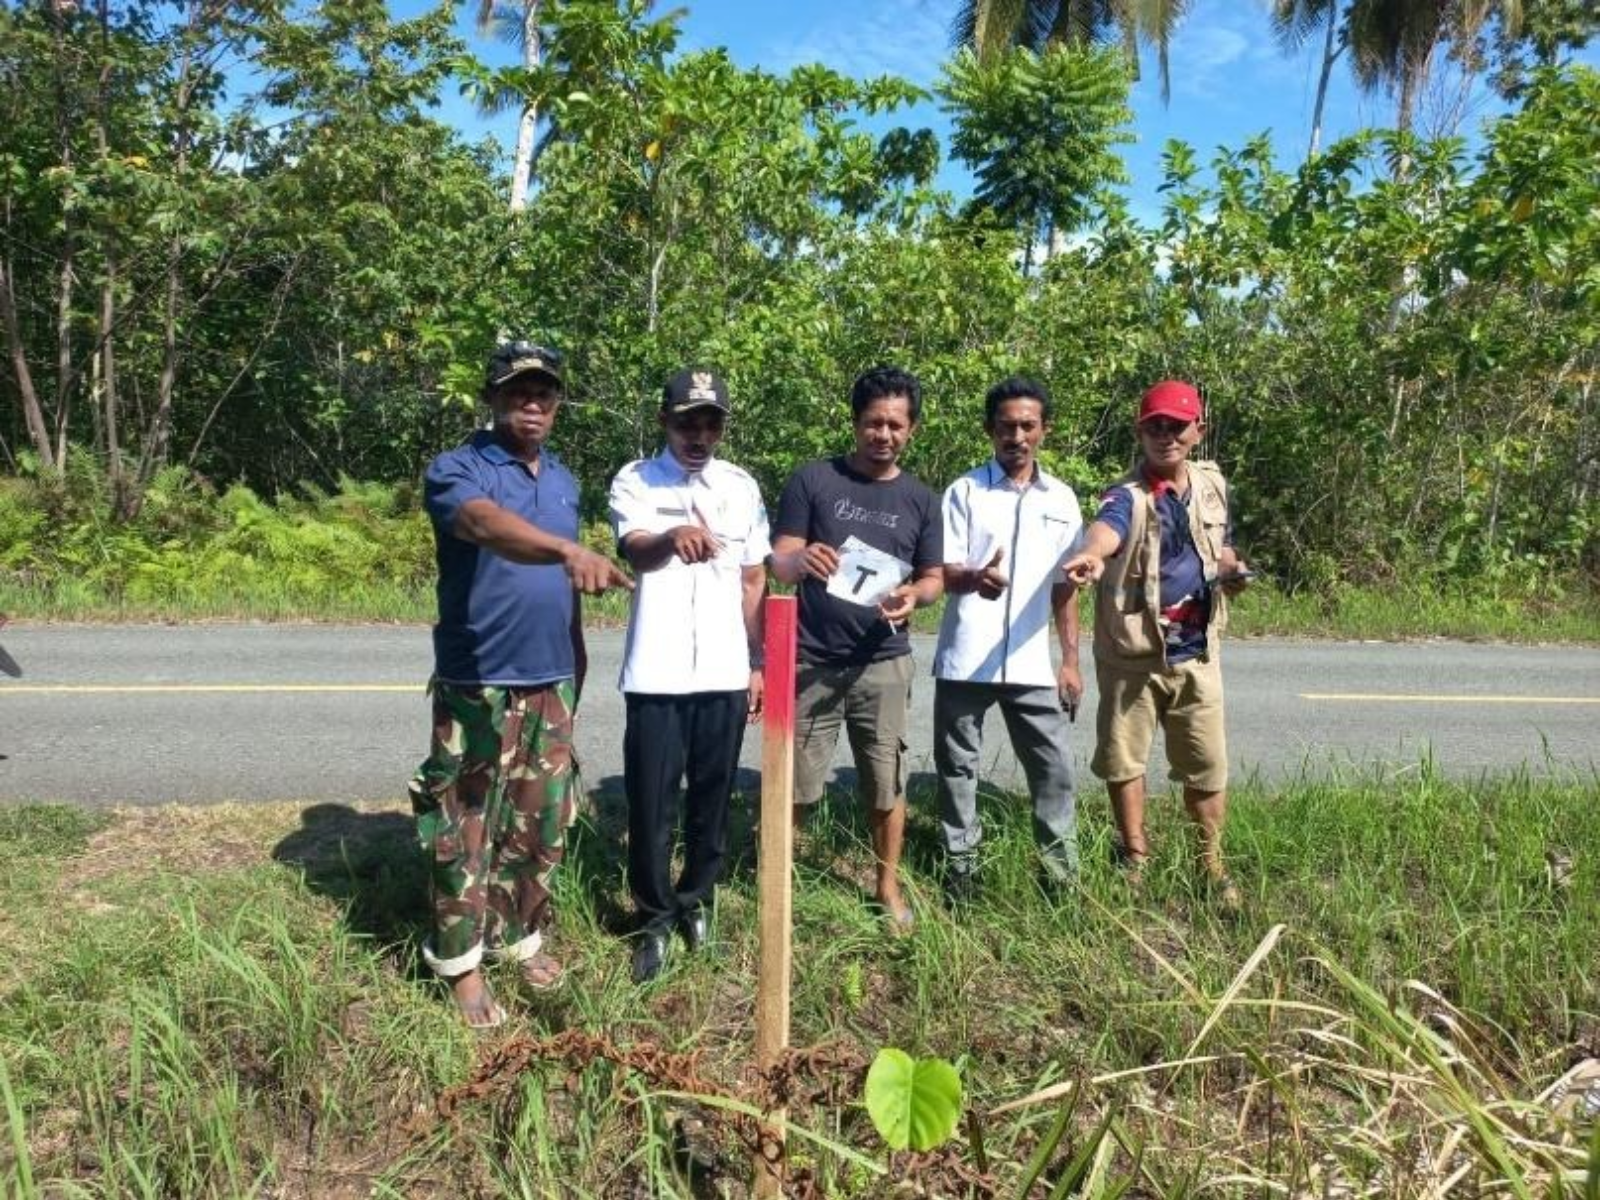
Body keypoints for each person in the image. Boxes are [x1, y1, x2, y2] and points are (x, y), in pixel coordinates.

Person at [409, 340, 632, 1028]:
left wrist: (576, 665)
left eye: (544, 393)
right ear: (493, 397)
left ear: (558, 403)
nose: (531, 404)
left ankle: (518, 935)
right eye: (517, 392)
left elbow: (561, 586)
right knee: (464, 826)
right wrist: (568, 548)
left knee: (540, 823)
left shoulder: (562, 481)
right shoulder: (459, 470)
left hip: (550, 680)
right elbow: (483, 528)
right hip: (479, 682)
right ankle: (461, 963)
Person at [1062, 379, 1251, 910]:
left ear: (1198, 431)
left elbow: (1225, 545)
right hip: (1133, 653)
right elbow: (1107, 529)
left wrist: (1233, 569)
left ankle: (1210, 864)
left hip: (1198, 649)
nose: (1165, 435)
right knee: (1124, 761)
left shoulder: (1212, 485)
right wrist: (1094, 556)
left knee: (1207, 765)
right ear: (1139, 431)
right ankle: (1135, 857)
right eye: (1155, 426)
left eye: (1177, 425)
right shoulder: (1126, 494)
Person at [608, 368, 770, 984]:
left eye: (710, 422)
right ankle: (652, 917)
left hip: (726, 668)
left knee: (712, 795)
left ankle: (696, 898)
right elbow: (638, 549)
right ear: (664, 421)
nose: (698, 434)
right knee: (651, 801)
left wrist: (755, 663)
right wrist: (672, 537)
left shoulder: (740, 486)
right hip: (658, 668)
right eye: (686, 421)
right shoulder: (636, 479)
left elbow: (753, 578)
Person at [769, 365, 943, 930]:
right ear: (855, 423)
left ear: (911, 429)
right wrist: (801, 561)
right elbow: (780, 558)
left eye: (895, 424)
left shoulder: (921, 499)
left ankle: (886, 886)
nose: (883, 435)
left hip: (884, 664)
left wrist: (915, 595)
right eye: (873, 423)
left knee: (884, 783)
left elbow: (934, 577)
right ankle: (778, 885)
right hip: (810, 660)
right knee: (794, 785)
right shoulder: (812, 481)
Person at [932, 376, 1085, 904]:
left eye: (1027, 426)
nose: (1016, 436)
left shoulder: (1062, 499)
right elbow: (940, 573)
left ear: (1044, 430)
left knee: (1054, 770)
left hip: (1031, 663)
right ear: (989, 430)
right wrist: (973, 577)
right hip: (965, 658)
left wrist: (1070, 659)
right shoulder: (965, 491)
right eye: (1005, 426)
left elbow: (1067, 586)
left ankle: (1061, 877)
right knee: (957, 771)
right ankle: (962, 870)